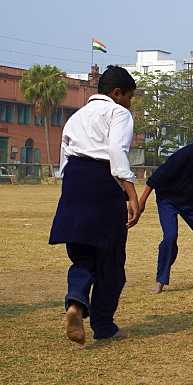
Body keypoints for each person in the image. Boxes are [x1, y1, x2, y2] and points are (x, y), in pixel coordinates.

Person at [49, 65, 141, 344]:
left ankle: (76, 304)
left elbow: (65, 158)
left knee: (82, 255)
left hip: (74, 184)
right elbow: (116, 151)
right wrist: (131, 194)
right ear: (117, 93)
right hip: (103, 185)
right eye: (129, 96)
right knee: (111, 261)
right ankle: (104, 326)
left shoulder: (76, 117)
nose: (130, 102)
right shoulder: (118, 112)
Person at [139, 116, 193, 294]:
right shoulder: (185, 155)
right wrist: (141, 201)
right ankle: (160, 280)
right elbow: (157, 177)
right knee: (170, 237)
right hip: (168, 200)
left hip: (190, 201)